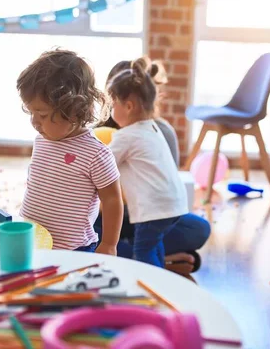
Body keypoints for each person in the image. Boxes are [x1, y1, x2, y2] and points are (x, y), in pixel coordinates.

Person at [94, 57, 210, 273]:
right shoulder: (151, 130)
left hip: (149, 210)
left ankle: (151, 280)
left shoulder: (126, 136)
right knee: (151, 243)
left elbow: (101, 165)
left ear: (128, 106)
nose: (111, 110)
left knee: (144, 249)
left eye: (114, 104)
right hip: (169, 207)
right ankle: (164, 265)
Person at [16, 49, 123, 255]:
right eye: (31, 113)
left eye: (43, 114)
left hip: (74, 249)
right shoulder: (42, 140)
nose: (35, 122)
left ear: (75, 110)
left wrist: (109, 244)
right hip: (34, 240)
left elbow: (112, 200)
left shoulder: (95, 154)